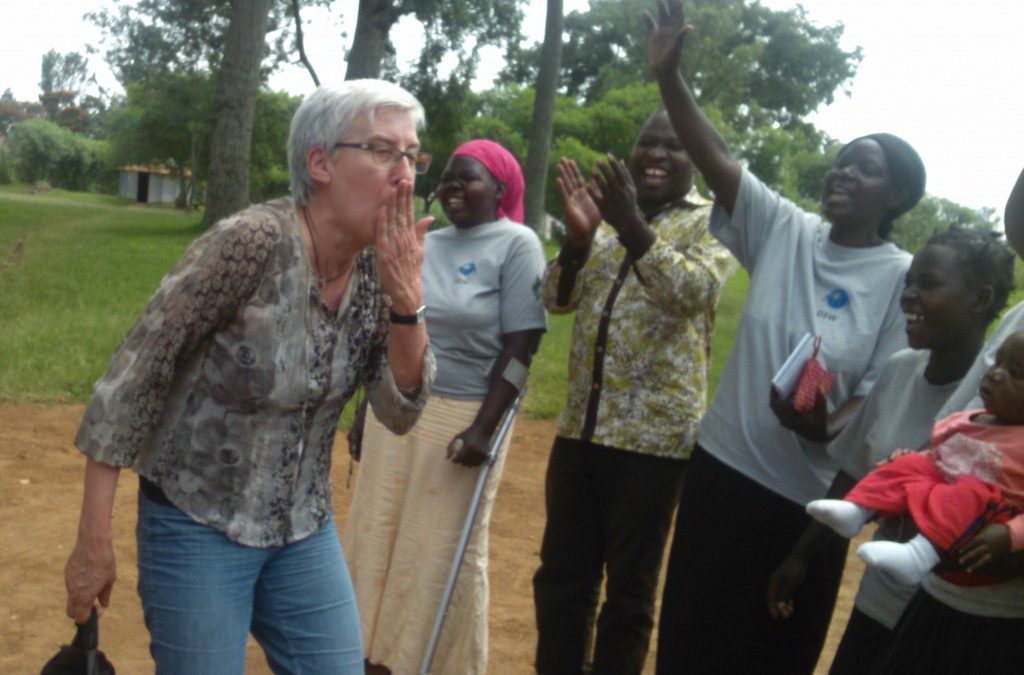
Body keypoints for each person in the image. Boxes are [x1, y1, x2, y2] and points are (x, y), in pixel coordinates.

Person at [62, 80, 436, 674]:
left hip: (302, 529)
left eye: (413, 155)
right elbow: (131, 380)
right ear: (320, 163)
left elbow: (399, 409)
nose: (406, 175)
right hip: (196, 524)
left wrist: (406, 303)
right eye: (384, 150)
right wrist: (92, 542)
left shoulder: (377, 270)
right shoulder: (250, 244)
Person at [646, 2, 927, 672]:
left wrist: (825, 424)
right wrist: (670, 78)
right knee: (688, 637)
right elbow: (715, 158)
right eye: (840, 163)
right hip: (722, 472)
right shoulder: (785, 230)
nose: (841, 174)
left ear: (896, 197)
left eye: (863, 168)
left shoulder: (901, 278)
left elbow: (882, 390)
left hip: (808, 507)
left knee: (772, 652)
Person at [532, 108, 735, 675]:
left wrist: (629, 225)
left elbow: (690, 292)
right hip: (580, 430)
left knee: (628, 594)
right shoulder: (599, 217)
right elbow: (556, 298)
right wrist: (577, 241)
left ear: (695, 156)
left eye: (674, 145)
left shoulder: (715, 220)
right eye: (648, 142)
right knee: (561, 579)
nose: (657, 154)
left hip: (653, 442)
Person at [765, 226, 1014, 675]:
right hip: (877, 599)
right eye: (909, 283)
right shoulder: (900, 370)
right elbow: (854, 473)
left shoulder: (1000, 404)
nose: (909, 296)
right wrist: (800, 556)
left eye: (929, 285)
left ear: (980, 299)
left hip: (940, 614)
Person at [342, 139, 546, 675]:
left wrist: (486, 428)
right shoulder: (427, 239)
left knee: (439, 552)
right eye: (448, 178)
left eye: (469, 179)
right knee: (376, 531)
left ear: (501, 190)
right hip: (400, 406)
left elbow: (522, 349)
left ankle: (427, 662)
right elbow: (390, 325)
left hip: (465, 414)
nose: (453, 188)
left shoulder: (517, 244)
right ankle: (367, 654)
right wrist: (369, 409)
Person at [868, 165, 1024, 675]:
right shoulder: (1019, 319)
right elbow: (964, 426)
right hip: (943, 594)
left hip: (1004, 617)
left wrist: (1014, 539)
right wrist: (919, 471)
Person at [809, 331, 1024, 586]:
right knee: (911, 462)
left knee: (970, 488)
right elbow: (940, 456)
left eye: (1016, 372)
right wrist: (910, 460)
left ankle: (918, 555)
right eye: (997, 362)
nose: (996, 374)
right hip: (945, 497)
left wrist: (1010, 535)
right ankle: (858, 509)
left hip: (987, 528)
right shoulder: (971, 418)